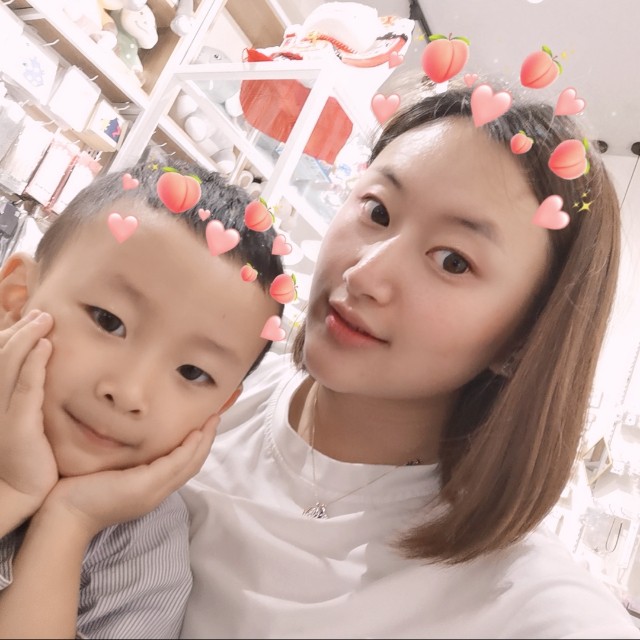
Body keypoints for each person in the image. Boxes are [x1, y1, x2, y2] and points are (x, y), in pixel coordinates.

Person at [179, 81, 640, 638]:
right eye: (377, 210)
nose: (364, 275)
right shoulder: (199, 395)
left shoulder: (525, 607)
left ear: (524, 339)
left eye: (452, 261)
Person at [0, 159, 284, 638]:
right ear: (16, 298)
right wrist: (13, 488)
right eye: (109, 321)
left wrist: (71, 522)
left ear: (218, 409)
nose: (129, 392)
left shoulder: (147, 553)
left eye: (192, 372)